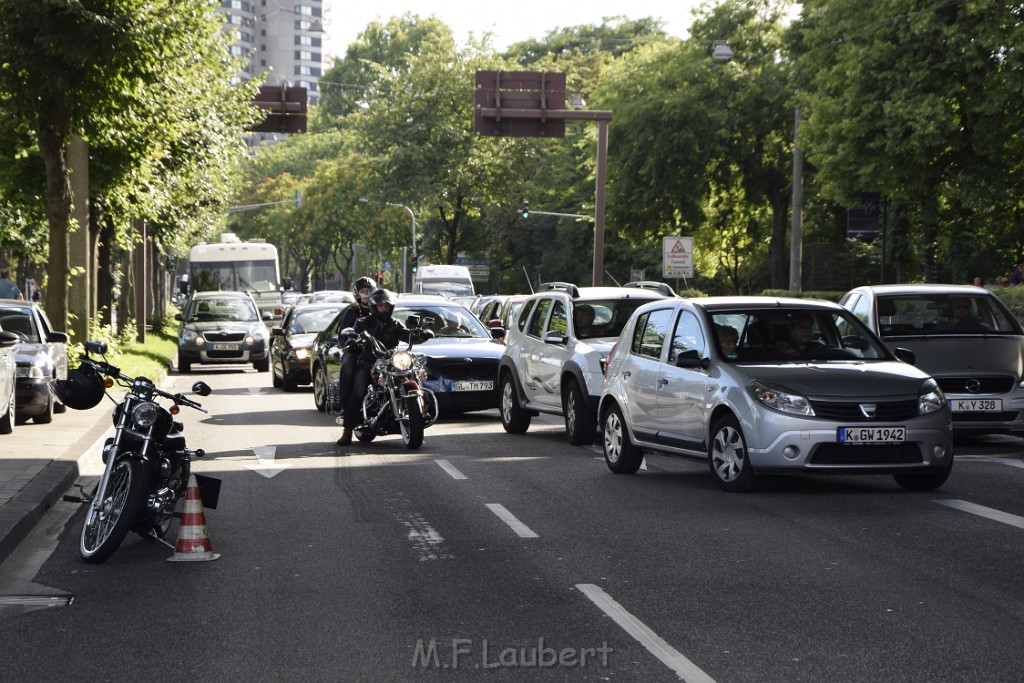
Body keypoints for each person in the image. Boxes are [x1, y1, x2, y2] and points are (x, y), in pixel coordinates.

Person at [336, 288, 431, 446]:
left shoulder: (394, 323)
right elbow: (353, 337)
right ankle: (347, 431)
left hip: (390, 362)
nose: (384, 309)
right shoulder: (363, 323)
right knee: (358, 392)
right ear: (374, 307)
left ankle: (421, 414)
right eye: (381, 306)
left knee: (414, 375)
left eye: (386, 306)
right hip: (368, 362)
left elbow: (405, 334)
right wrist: (354, 339)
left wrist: (420, 334)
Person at [332, 276, 376, 424]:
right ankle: (346, 407)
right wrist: (349, 344)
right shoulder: (352, 311)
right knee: (348, 366)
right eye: (363, 291)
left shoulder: (379, 308)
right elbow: (342, 333)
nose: (366, 294)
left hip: (376, 349)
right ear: (357, 294)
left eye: (369, 291)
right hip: (356, 350)